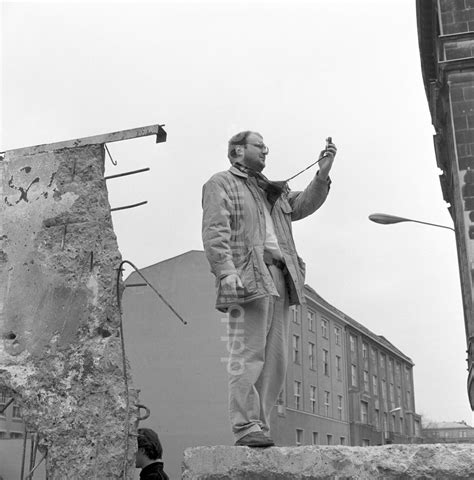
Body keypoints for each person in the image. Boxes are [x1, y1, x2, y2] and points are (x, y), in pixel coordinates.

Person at [202, 130, 336, 447]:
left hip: (279, 277)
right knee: (248, 355)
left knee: (276, 360)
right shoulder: (220, 184)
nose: (265, 152)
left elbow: (302, 205)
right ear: (237, 151)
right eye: (259, 146)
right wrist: (225, 272)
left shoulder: (270, 192)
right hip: (248, 274)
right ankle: (245, 425)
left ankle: (259, 425)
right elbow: (214, 230)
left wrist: (323, 174)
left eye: (266, 147)